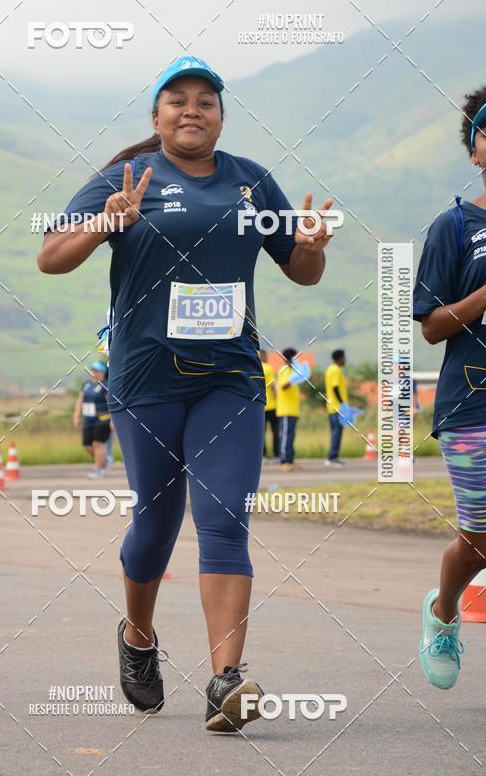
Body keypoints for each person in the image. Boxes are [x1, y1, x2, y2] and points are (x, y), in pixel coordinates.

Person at [38, 54, 335, 732]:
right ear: (157, 116)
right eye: (178, 100)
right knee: (155, 526)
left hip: (230, 379)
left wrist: (313, 245)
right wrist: (106, 223)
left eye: (206, 99)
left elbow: (302, 270)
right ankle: (139, 637)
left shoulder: (253, 183)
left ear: (222, 116)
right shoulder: (124, 181)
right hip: (145, 379)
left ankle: (226, 680)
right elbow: (49, 257)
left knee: (225, 519)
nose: (192, 109)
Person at [413, 86, 486, 690]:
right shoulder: (455, 226)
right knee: (481, 538)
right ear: (474, 150)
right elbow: (433, 326)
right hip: (472, 401)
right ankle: (443, 612)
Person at [73, 361, 112, 479]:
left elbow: (111, 403)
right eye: (93, 370)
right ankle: (104, 460)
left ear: (103, 372)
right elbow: (80, 401)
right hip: (88, 420)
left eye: (97, 370)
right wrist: (76, 416)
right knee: (88, 447)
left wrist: (113, 420)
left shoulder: (106, 386)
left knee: (97, 444)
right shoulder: (87, 385)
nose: (94, 372)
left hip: (102, 419)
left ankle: (97, 471)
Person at [276, 348, 301, 472]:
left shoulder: (292, 371)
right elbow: (284, 386)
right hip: (285, 410)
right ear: (290, 358)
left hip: (293, 410)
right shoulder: (284, 370)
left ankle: (290, 461)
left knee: (291, 436)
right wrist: (293, 378)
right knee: (285, 436)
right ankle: (284, 461)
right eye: (295, 357)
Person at [324, 349, 348, 466]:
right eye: (344, 357)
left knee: (337, 432)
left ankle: (333, 456)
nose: (345, 359)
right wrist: (342, 404)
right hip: (336, 407)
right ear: (340, 358)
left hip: (334, 407)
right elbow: (335, 388)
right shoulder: (334, 370)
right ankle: (332, 457)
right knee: (336, 432)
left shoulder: (332, 369)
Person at [260, 349, 278, 458]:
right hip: (272, 405)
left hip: (261, 405)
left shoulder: (255, 367)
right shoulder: (268, 367)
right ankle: (277, 454)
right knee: (275, 431)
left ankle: (263, 455)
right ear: (264, 357)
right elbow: (272, 385)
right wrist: (277, 398)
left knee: (262, 433)